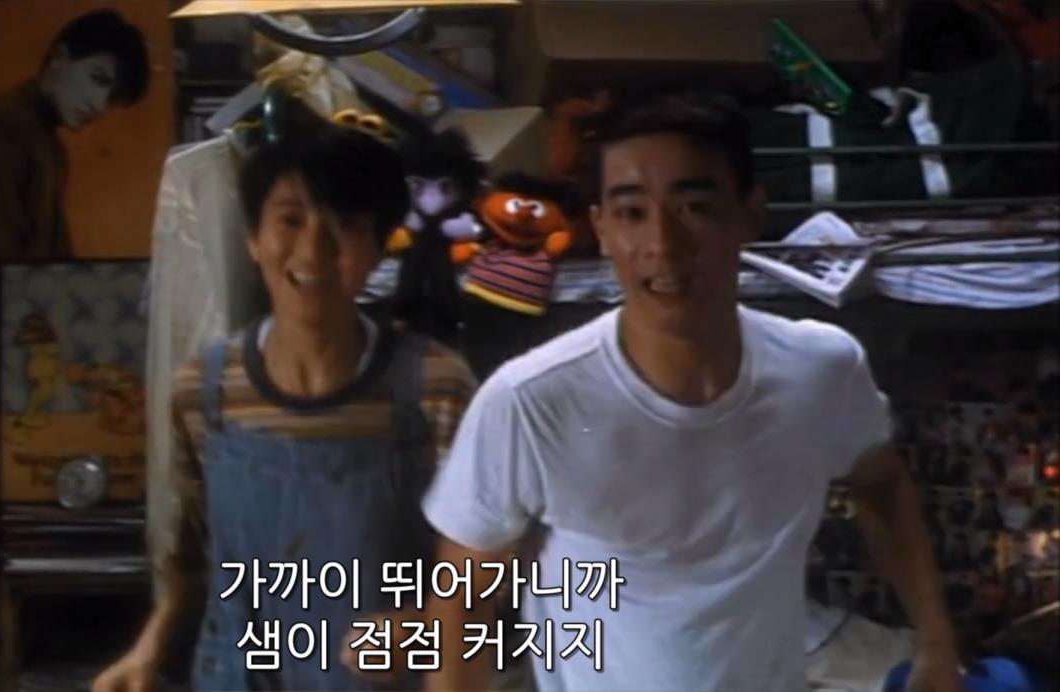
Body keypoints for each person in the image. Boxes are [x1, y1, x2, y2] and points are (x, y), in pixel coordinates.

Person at [420, 91, 962, 691]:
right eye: (631, 213)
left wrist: (936, 644)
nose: (663, 244)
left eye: (694, 207)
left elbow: (882, 485)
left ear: (749, 215)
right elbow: (461, 602)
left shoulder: (822, 370)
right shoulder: (531, 401)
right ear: (600, 229)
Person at [92, 113, 479, 692]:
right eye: (291, 219)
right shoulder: (203, 392)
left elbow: (488, 575)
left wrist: (419, 628)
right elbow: (191, 563)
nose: (313, 250)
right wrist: (149, 650)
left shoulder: (435, 387)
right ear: (254, 239)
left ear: (379, 248)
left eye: (346, 225)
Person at [0, 9, 150, 451]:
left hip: (4, 350)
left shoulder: (41, 140)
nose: (100, 105)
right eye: (98, 79)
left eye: (112, 97)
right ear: (59, 58)